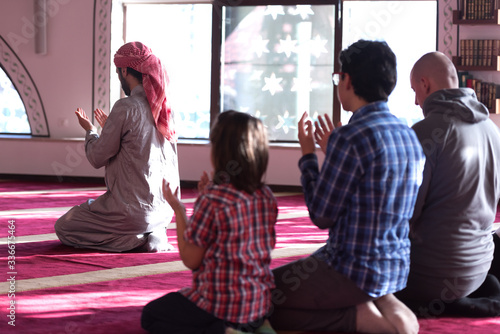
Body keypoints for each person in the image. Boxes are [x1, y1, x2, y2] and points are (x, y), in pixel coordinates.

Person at [270, 40, 423, 334]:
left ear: (348, 80)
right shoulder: (408, 135)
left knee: (262, 295)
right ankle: (386, 309)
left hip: (352, 269)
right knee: (306, 269)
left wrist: (307, 156)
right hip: (396, 267)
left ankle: (357, 319)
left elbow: (321, 215)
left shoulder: (350, 137)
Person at [141, 110, 278, 334]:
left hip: (219, 306)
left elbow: (191, 260)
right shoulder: (266, 196)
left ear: (220, 151)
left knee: (151, 316)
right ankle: (260, 325)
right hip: (257, 304)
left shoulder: (213, 199)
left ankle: (226, 331)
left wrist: (180, 210)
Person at [394, 51, 500, 317]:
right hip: (479, 268)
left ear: (424, 84)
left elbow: (402, 218)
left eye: (414, 90)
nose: (416, 101)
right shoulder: (493, 131)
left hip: (432, 277)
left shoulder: (424, 133)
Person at [54, 41, 179, 252]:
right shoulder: (165, 109)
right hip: (164, 212)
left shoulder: (126, 107)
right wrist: (110, 127)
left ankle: (137, 240)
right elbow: (139, 148)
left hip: (130, 211)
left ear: (124, 70)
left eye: (118, 72)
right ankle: (153, 233)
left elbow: (97, 157)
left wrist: (91, 130)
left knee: (65, 226)